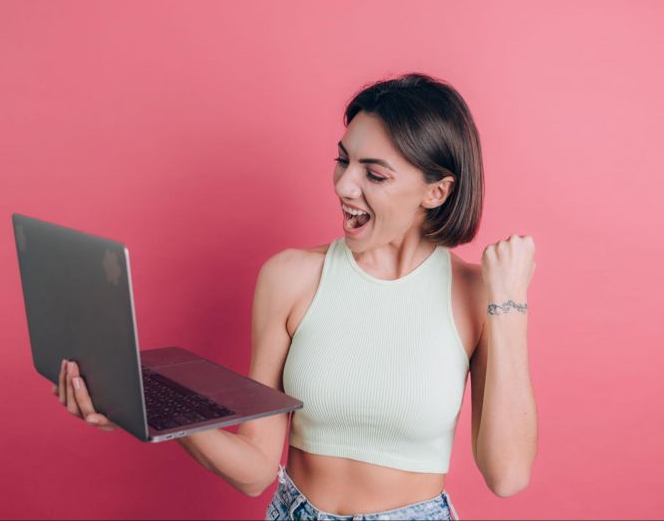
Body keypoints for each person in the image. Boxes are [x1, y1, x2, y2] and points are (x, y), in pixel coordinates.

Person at [53, 72, 538, 520]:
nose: (345, 185)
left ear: (436, 192)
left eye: (375, 174)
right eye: (343, 160)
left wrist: (509, 307)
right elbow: (257, 470)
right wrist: (152, 405)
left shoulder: (479, 297)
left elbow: (508, 474)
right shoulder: (290, 278)